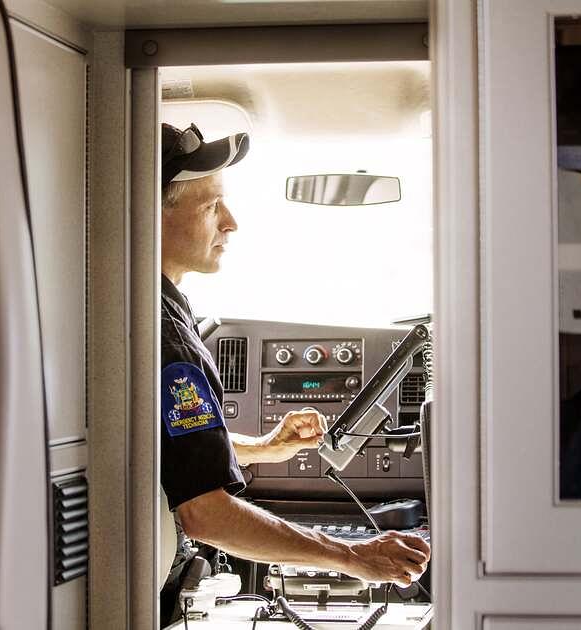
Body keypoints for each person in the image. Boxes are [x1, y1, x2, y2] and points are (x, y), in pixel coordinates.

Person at [158, 122, 431, 620]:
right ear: (150, 216)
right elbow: (205, 512)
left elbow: (166, 449)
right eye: (211, 205)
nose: (231, 222)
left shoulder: (153, 312)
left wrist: (263, 448)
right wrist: (352, 556)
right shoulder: (170, 342)